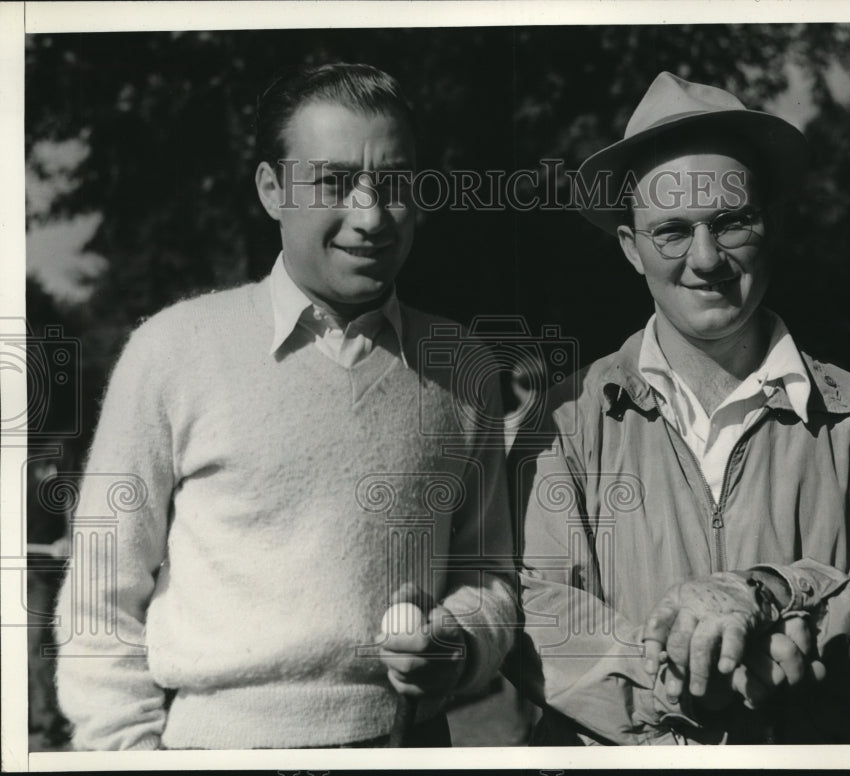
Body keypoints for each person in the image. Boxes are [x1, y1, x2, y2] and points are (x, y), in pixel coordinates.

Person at [54, 63, 516, 750]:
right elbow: (101, 585)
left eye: (394, 184)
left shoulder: (464, 367)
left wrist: (459, 641)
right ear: (272, 190)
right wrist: (125, 754)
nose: (370, 216)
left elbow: (489, 577)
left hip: (409, 749)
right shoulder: (174, 350)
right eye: (333, 182)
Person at [511, 72, 850, 745]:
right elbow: (539, 611)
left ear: (772, 223)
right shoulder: (565, 424)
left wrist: (773, 591)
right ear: (631, 248)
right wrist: (681, 684)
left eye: (732, 222)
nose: (706, 259)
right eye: (673, 232)